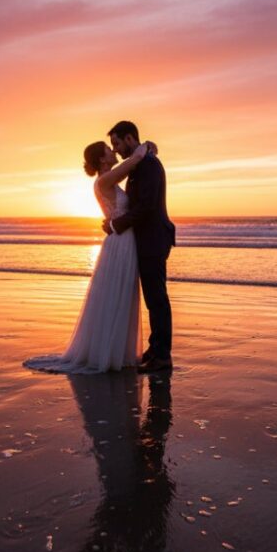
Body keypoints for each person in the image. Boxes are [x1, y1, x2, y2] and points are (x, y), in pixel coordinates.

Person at [23, 138, 156, 373]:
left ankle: (115, 352)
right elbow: (135, 160)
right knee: (118, 294)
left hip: (121, 239)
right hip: (121, 242)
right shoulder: (105, 179)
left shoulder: (108, 179)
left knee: (121, 295)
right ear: (102, 159)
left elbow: (132, 166)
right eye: (109, 149)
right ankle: (108, 355)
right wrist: (146, 145)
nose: (113, 150)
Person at [103, 121, 175, 373]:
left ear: (130, 138)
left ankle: (162, 356)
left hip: (153, 239)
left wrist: (115, 225)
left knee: (157, 299)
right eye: (113, 145)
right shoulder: (139, 164)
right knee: (153, 299)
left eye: (117, 143)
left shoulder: (149, 167)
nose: (117, 149)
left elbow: (145, 208)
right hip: (146, 240)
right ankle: (155, 349)